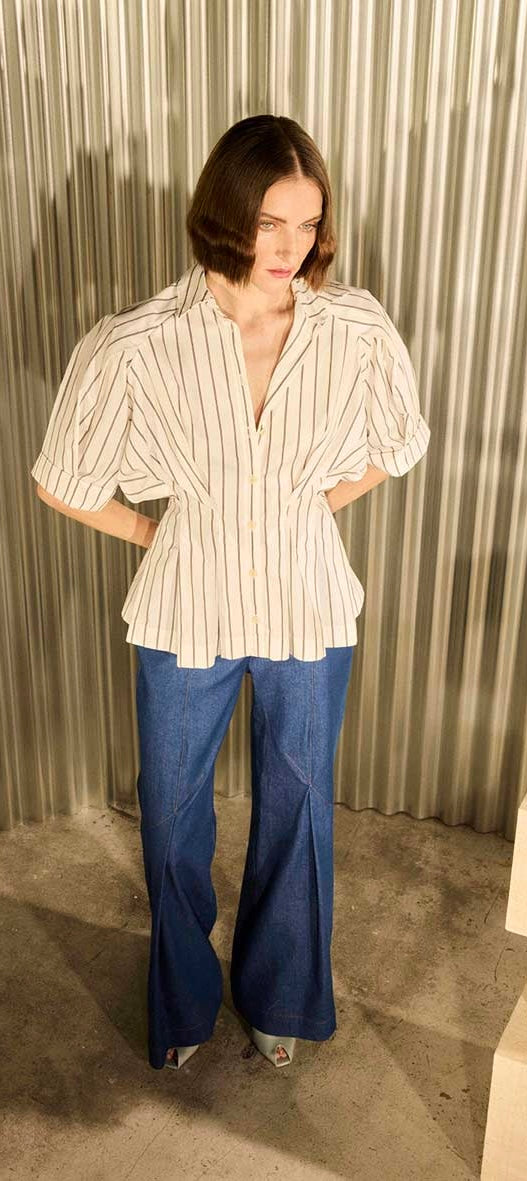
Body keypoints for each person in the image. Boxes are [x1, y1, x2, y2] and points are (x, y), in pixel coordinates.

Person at [31, 114, 430, 1071]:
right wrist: (156, 531)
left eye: (308, 222)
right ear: (225, 213)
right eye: (268, 222)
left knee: (299, 806)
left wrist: (304, 508)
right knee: (172, 812)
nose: (290, 246)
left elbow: (398, 440)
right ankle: (181, 1005)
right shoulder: (138, 341)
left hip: (308, 605)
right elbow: (61, 478)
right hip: (184, 608)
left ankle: (279, 997)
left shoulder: (352, 327)